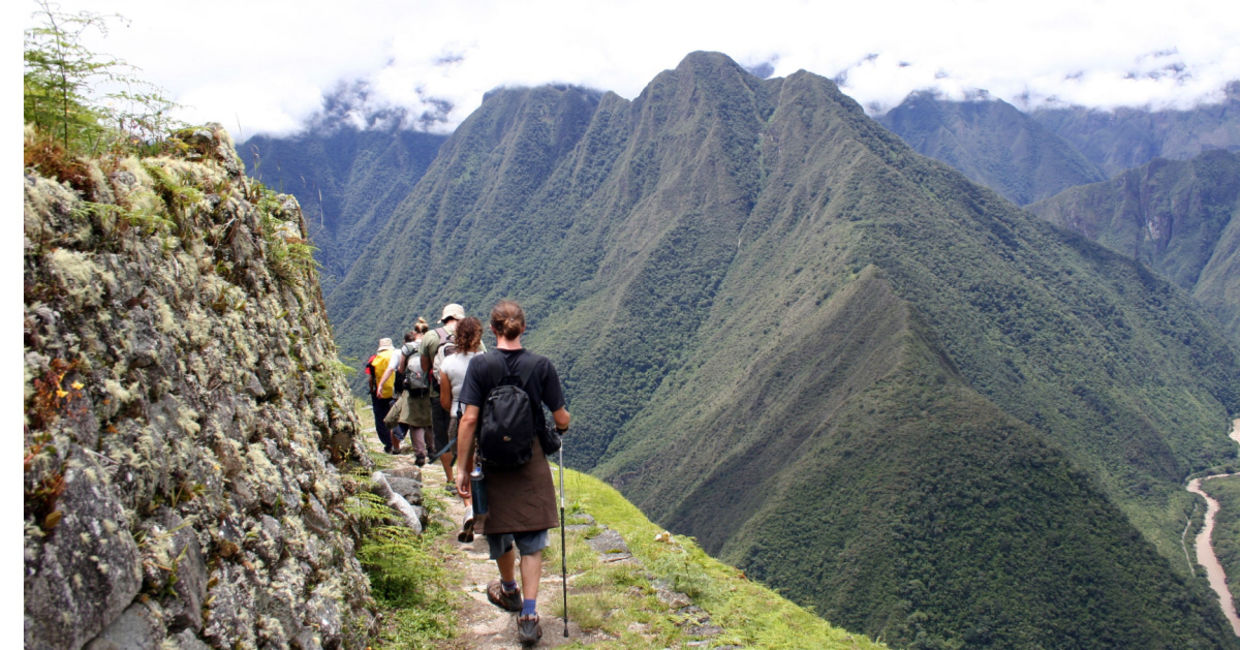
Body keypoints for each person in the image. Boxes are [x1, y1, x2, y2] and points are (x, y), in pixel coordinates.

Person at [455, 300, 570, 646]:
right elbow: (561, 417)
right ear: (523, 329)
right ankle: (530, 615)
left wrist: (462, 468)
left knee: (499, 528)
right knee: (532, 539)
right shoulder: (541, 366)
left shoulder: (480, 366)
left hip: (490, 459)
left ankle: (508, 590)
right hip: (529, 457)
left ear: (492, 330)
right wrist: (557, 431)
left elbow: (470, 419)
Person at [437, 316, 485, 541]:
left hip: (458, 417)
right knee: (482, 463)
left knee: (464, 465)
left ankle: (468, 507)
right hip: (484, 417)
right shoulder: (485, 360)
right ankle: (484, 509)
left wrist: (456, 408)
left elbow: (444, 400)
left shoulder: (447, 364)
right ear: (478, 336)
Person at [422, 303, 465, 486]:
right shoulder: (469, 335)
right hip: (467, 396)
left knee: (442, 437)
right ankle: (468, 477)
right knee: (468, 435)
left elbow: (425, 367)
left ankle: (450, 479)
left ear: (444, 318)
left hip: (438, 394)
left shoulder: (431, 336)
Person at [379, 319, 433, 463]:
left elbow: (401, 369)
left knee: (415, 423)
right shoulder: (432, 345)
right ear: (427, 332)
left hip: (412, 391)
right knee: (429, 422)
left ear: (414, 332)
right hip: (429, 389)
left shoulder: (407, 348)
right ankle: (432, 450)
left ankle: (420, 454)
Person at [364, 337, 398, 453]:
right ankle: (396, 442)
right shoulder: (397, 356)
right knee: (394, 417)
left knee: (381, 418)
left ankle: (388, 444)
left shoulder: (374, 359)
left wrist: (373, 390)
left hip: (379, 393)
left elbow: (370, 378)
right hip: (395, 392)